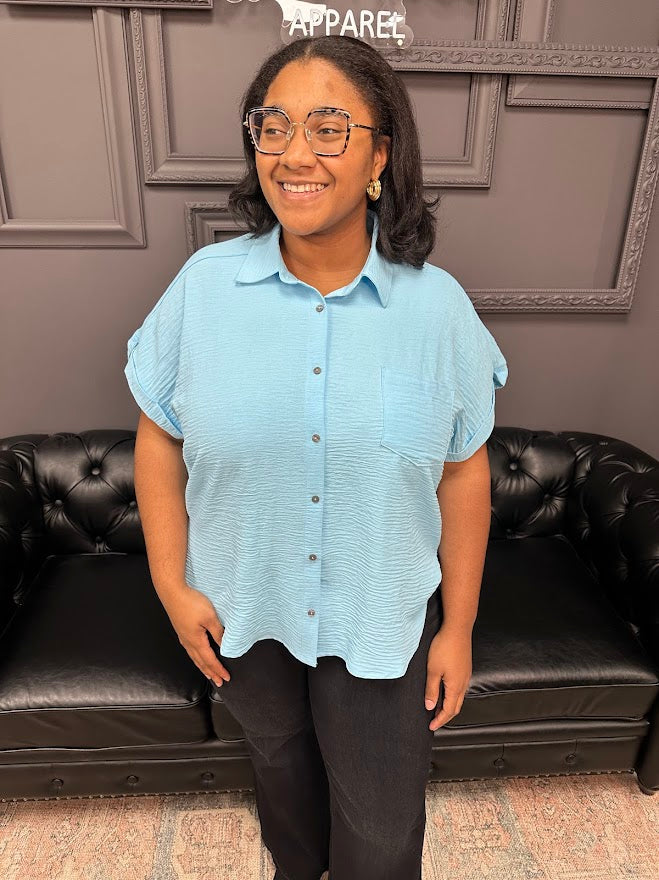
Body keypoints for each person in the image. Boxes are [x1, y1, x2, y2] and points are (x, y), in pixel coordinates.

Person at [124, 34, 508, 880]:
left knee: (378, 820)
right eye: (274, 126)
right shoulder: (203, 287)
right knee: (280, 780)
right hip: (242, 612)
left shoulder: (436, 310)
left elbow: (462, 469)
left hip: (378, 622)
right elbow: (158, 432)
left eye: (329, 127)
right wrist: (167, 581)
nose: (295, 153)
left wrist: (459, 626)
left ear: (380, 152)